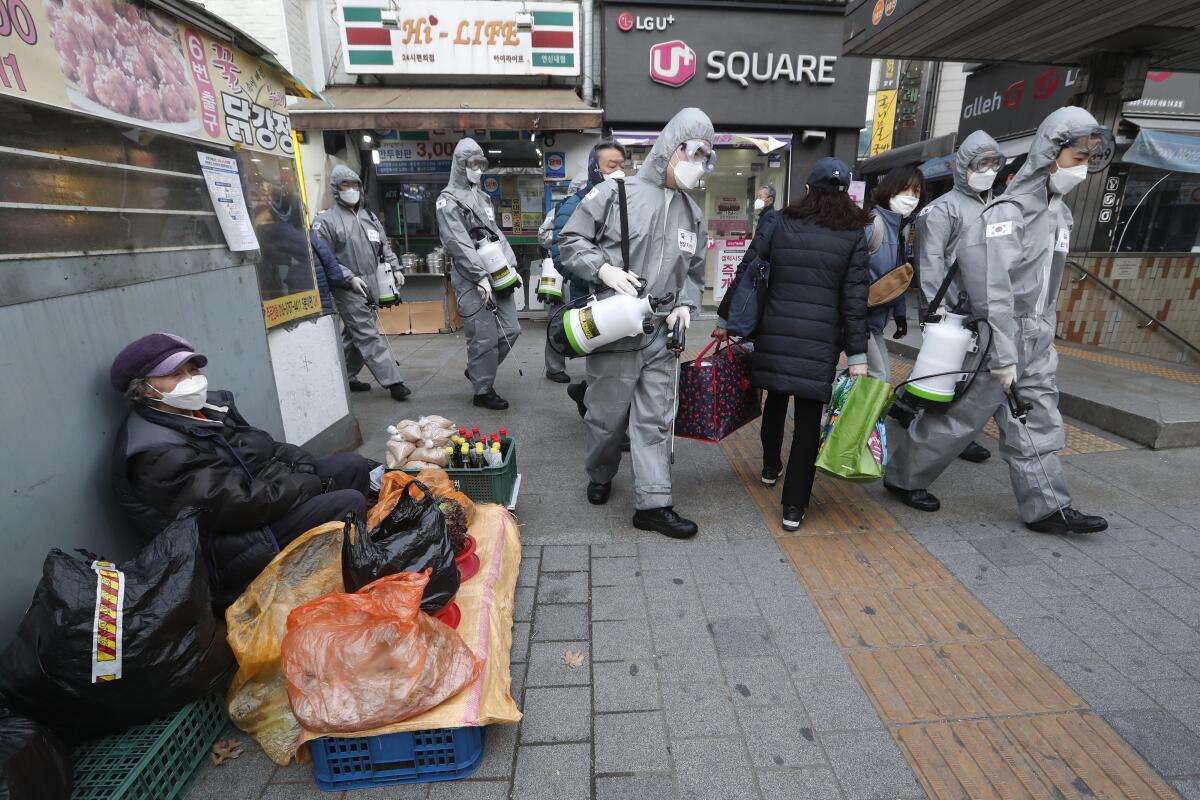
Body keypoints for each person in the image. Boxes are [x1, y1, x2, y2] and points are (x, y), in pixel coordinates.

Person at [885, 107, 1113, 535]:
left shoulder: (1058, 213)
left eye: (1089, 160)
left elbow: (1050, 280)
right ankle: (903, 477)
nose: (1083, 169)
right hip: (994, 334)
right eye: (1078, 158)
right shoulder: (1006, 213)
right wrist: (1001, 350)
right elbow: (993, 291)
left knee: (1037, 416)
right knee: (961, 417)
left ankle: (1048, 506)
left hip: (1035, 334)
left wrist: (1044, 333)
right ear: (1052, 151)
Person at [109, 332, 371, 607]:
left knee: (352, 466)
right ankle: (339, 588)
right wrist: (305, 484)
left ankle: (338, 561)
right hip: (222, 545)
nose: (191, 380)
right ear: (146, 389)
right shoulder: (153, 452)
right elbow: (234, 504)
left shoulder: (205, 408)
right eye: (176, 374)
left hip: (258, 500)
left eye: (193, 369)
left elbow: (265, 446)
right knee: (347, 503)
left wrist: (302, 467)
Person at [559, 108, 712, 539]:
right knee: (606, 417)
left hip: (663, 334)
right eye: (695, 152)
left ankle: (654, 503)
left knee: (656, 420)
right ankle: (600, 472)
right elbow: (570, 240)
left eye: (707, 156)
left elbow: (694, 271)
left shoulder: (691, 213)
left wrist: (686, 304)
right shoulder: (615, 193)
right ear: (672, 148)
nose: (699, 163)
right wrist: (603, 270)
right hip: (616, 326)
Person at [715, 158, 870, 530]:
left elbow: (749, 269)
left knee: (775, 398)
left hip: (776, 330)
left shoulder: (782, 221)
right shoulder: (853, 234)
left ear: (808, 190)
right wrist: (858, 353)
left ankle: (770, 467)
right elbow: (855, 299)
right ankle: (794, 507)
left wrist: (724, 319)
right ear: (845, 193)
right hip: (820, 339)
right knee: (807, 423)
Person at [907, 131, 1007, 465]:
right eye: (982, 164)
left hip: (984, 310)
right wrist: (936, 313)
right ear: (964, 166)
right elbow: (930, 263)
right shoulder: (941, 210)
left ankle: (947, 433)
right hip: (952, 312)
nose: (989, 171)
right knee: (946, 379)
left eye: (995, 164)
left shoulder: (995, 206)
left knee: (964, 379)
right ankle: (924, 443)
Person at [312, 166, 411, 401]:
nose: (351, 190)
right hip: (348, 285)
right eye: (345, 185)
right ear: (336, 189)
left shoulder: (370, 217)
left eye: (355, 185)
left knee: (355, 334)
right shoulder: (326, 221)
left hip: (372, 281)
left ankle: (346, 375)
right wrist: (348, 277)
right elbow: (325, 256)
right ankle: (393, 381)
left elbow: (384, 246)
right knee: (367, 333)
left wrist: (395, 268)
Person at [436, 138, 521, 410]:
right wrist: (479, 276)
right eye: (472, 164)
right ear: (460, 165)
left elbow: (497, 235)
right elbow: (457, 242)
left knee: (511, 328)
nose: (477, 169)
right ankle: (482, 390)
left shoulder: (482, 198)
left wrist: (511, 266)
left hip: (497, 272)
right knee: (483, 335)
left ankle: (477, 369)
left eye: (480, 164)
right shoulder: (447, 202)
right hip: (472, 279)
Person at [863, 165, 920, 383]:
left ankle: (833, 410)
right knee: (878, 377)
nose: (911, 197)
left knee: (878, 378)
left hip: (876, 322)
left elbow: (897, 278)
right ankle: (832, 411)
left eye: (916, 192)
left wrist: (900, 314)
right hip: (861, 320)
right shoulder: (872, 224)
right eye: (905, 189)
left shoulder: (899, 229)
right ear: (890, 189)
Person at [538, 172, 589, 384]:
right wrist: (562, 240)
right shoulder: (559, 209)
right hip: (562, 272)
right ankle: (554, 367)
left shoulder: (600, 207)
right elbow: (542, 235)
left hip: (587, 273)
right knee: (557, 319)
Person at [713, 182, 781, 331]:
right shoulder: (767, 218)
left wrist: (723, 317)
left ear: (769, 200)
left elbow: (753, 256)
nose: (757, 200)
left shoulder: (769, 220)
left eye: (760, 197)